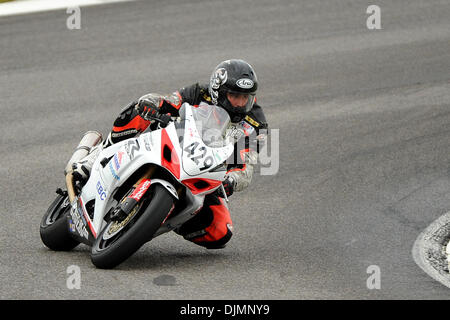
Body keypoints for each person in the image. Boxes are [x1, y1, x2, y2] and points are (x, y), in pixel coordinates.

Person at [72, 59, 268, 249]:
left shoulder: (257, 125)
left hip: (205, 171)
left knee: (221, 232)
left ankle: (159, 215)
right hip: (174, 144)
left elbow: (246, 166)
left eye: (246, 98)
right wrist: (153, 103)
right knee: (139, 109)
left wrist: (232, 180)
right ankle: (97, 156)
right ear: (219, 92)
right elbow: (170, 100)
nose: (241, 104)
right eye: (235, 96)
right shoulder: (200, 92)